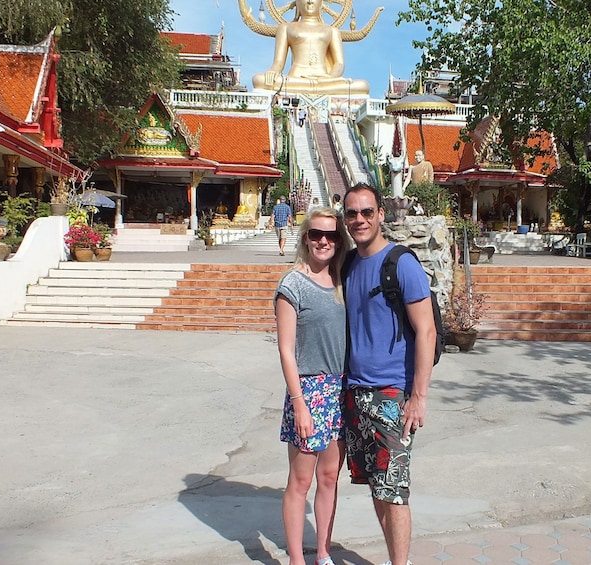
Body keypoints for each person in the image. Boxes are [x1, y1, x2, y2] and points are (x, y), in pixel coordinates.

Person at [341, 183, 436, 565]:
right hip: (355, 392)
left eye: (367, 212)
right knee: (378, 489)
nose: (359, 219)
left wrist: (419, 397)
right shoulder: (348, 264)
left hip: (392, 395)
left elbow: (426, 330)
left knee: (394, 491)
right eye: (352, 213)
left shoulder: (402, 264)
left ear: (381, 214)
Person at [274, 207, 350, 565]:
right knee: (300, 481)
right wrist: (299, 403)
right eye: (317, 234)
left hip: (341, 388)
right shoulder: (293, 284)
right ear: (305, 237)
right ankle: (295, 559)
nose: (324, 241)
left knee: (330, 477)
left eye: (331, 235)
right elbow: (286, 351)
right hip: (309, 390)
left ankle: (322, 552)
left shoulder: (341, 281)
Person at [250, 0, 370, 95]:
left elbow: (339, 64)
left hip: (324, 79)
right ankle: (317, 88)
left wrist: (330, 78)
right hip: (295, 79)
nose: (310, 1)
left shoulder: (332, 31)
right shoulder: (286, 28)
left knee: (363, 86)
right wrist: (273, 72)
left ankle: (320, 87)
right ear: (297, 2)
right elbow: (278, 62)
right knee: (259, 80)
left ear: (321, 2)